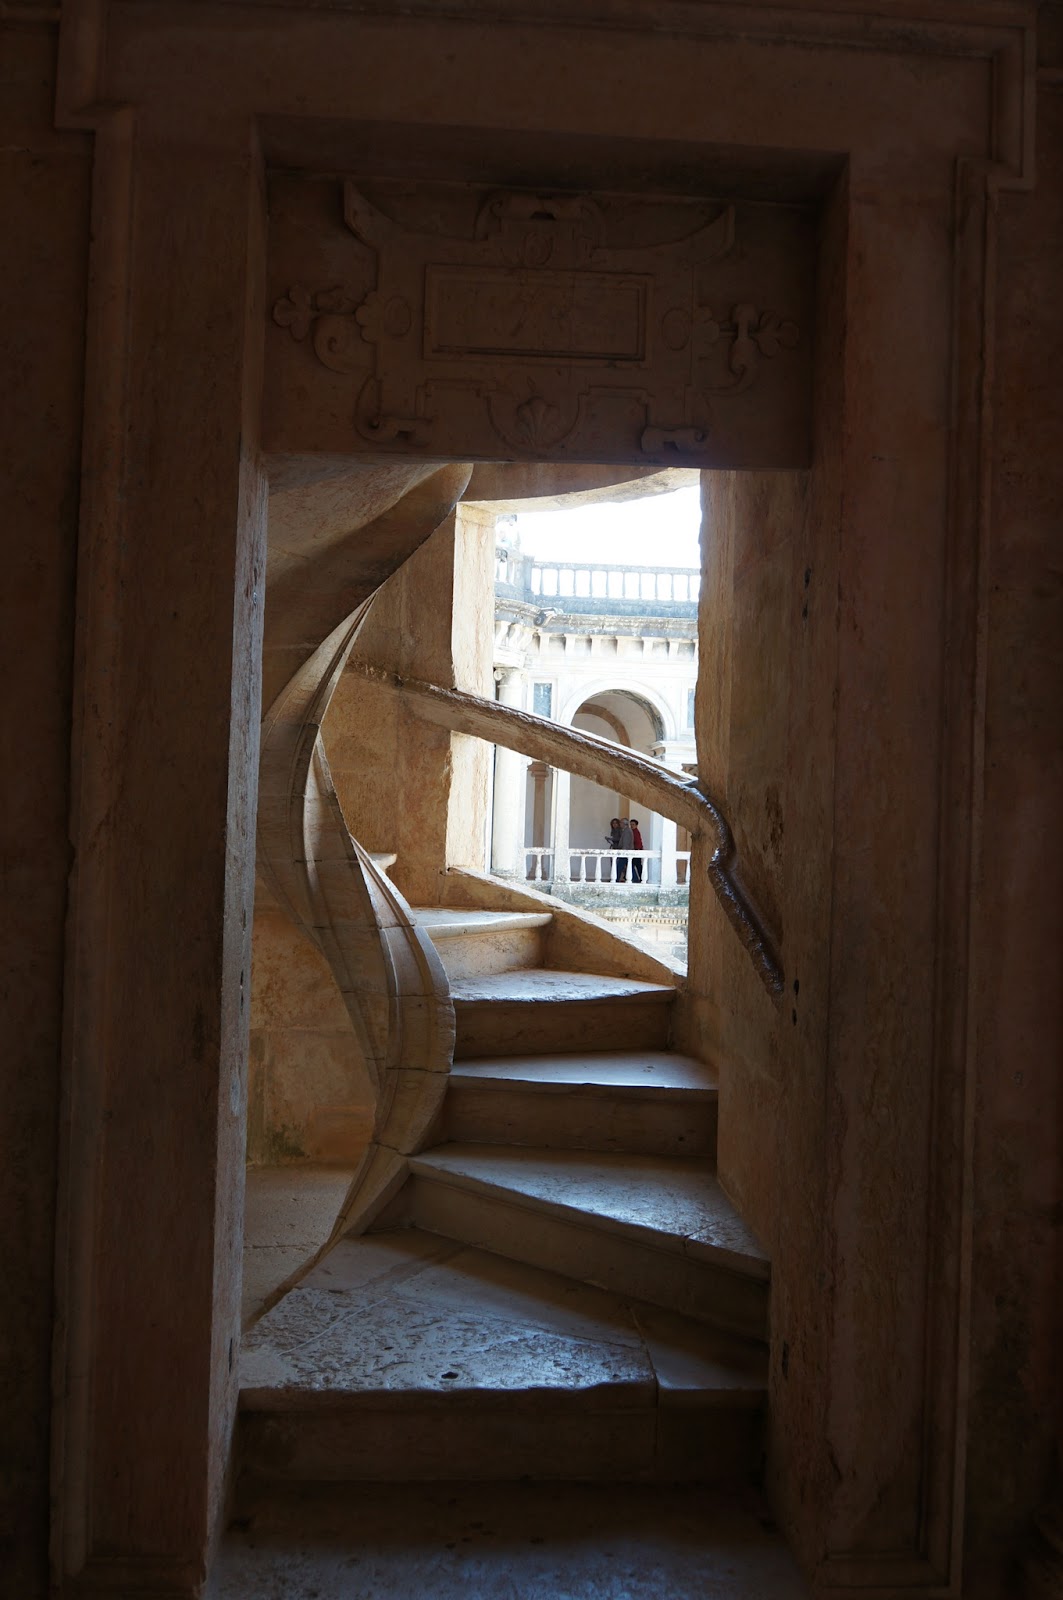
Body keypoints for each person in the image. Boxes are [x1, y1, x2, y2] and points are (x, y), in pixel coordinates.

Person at [605, 817, 621, 883]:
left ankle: (616, 878)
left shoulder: (619, 830)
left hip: (618, 848)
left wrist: (611, 839)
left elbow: (619, 839)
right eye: (613, 823)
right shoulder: (613, 830)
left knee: (617, 864)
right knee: (613, 863)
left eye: (616, 823)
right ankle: (613, 877)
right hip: (613, 847)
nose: (614, 825)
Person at [617, 818, 633, 882]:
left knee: (619, 866)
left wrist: (624, 851)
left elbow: (626, 842)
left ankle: (616, 878)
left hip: (625, 852)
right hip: (626, 852)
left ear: (624, 824)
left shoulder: (627, 831)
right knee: (629, 866)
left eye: (620, 823)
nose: (620, 824)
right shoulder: (626, 830)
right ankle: (635, 879)